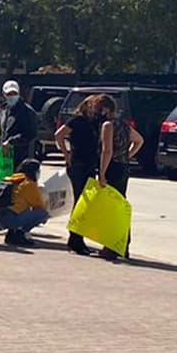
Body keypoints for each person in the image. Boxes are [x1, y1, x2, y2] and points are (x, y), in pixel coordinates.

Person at [55, 93, 107, 256]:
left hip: (90, 164)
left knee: (86, 203)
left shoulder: (95, 123)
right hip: (78, 163)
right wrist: (66, 153)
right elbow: (59, 135)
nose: (97, 111)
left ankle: (77, 238)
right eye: (94, 107)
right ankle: (75, 240)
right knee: (80, 201)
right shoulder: (77, 120)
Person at [97, 95, 145, 261]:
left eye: (100, 109)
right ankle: (123, 244)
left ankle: (111, 245)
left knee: (110, 207)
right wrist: (127, 155)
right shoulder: (124, 125)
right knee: (120, 203)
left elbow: (107, 150)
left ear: (106, 109)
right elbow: (139, 141)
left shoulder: (108, 125)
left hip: (113, 167)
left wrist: (102, 173)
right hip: (123, 166)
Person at [0, 159, 48, 247]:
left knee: (22, 209)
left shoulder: (13, 179)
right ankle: (20, 234)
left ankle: (12, 233)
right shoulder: (29, 184)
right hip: (11, 218)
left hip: (0, 216)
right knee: (43, 214)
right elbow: (38, 206)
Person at [0, 80, 37, 167]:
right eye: (9, 94)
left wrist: (11, 142)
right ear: (4, 94)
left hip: (22, 158)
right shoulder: (3, 110)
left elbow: (31, 133)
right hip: (5, 157)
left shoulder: (27, 111)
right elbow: (1, 133)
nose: (12, 96)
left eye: (14, 93)